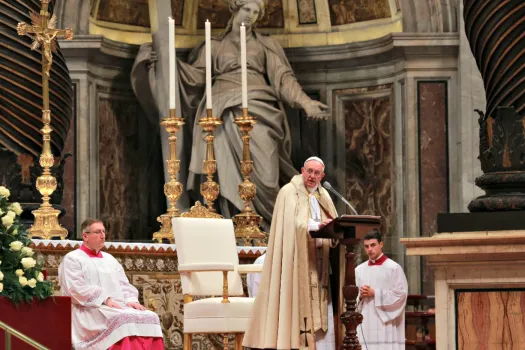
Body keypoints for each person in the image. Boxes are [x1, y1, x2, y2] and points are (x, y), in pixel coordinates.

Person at [173, 0, 329, 224]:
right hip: (220, 110)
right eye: (247, 9)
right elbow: (195, 77)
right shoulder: (214, 46)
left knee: (266, 175)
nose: (251, 15)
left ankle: (269, 226)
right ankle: (234, 221)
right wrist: (170, 64)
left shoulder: (265, 45)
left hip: (259, 107)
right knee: (222, 169)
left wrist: (306, 103)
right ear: (235, 9)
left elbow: (283, 79)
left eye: (256, 12)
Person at [243, 156, 340, 349]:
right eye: (309, 171)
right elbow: (291, 225)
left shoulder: (325, 196)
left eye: (317, 173)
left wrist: (333, 229)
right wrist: (316, 226)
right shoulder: (289, 192)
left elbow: (335, 224)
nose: (312, 176)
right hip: (297, 265)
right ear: (302, 171)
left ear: (323, 175)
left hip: (320, 267)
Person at [58, 219, 164, 350]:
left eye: (103, 231)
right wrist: (104, 299)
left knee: (150, 316)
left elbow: (124, 284)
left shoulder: (110, 259)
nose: (103, 235)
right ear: (85, 236)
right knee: (123, 319)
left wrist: (130, 300)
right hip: (90, 309)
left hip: (117, 306)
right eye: (98, 232)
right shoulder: (73, 258)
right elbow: (75, 288)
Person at [355, 230, 408, 350]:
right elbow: (353, 300)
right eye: (366, 246)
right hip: (366, 321)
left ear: (381, 244)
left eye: (373, 245)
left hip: (385, 323)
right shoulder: (359, 270)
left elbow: (401, 295)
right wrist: (361, 296)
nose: (369, 249)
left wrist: (375, 293)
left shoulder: (394, 268)